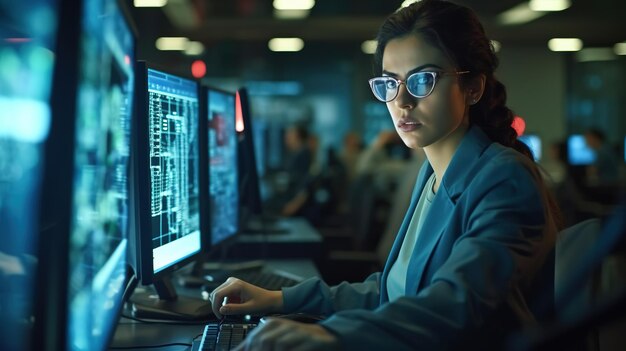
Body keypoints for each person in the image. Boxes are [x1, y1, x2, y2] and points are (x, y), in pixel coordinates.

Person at [209, 1, 560, 349]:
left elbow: (459, 302)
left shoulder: (503, 178)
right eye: (390, 83)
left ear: (473, 88)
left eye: (423, 79)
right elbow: (392, 292)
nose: (402, 101)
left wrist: (335, 335)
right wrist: (278, 299)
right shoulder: (430, 175)